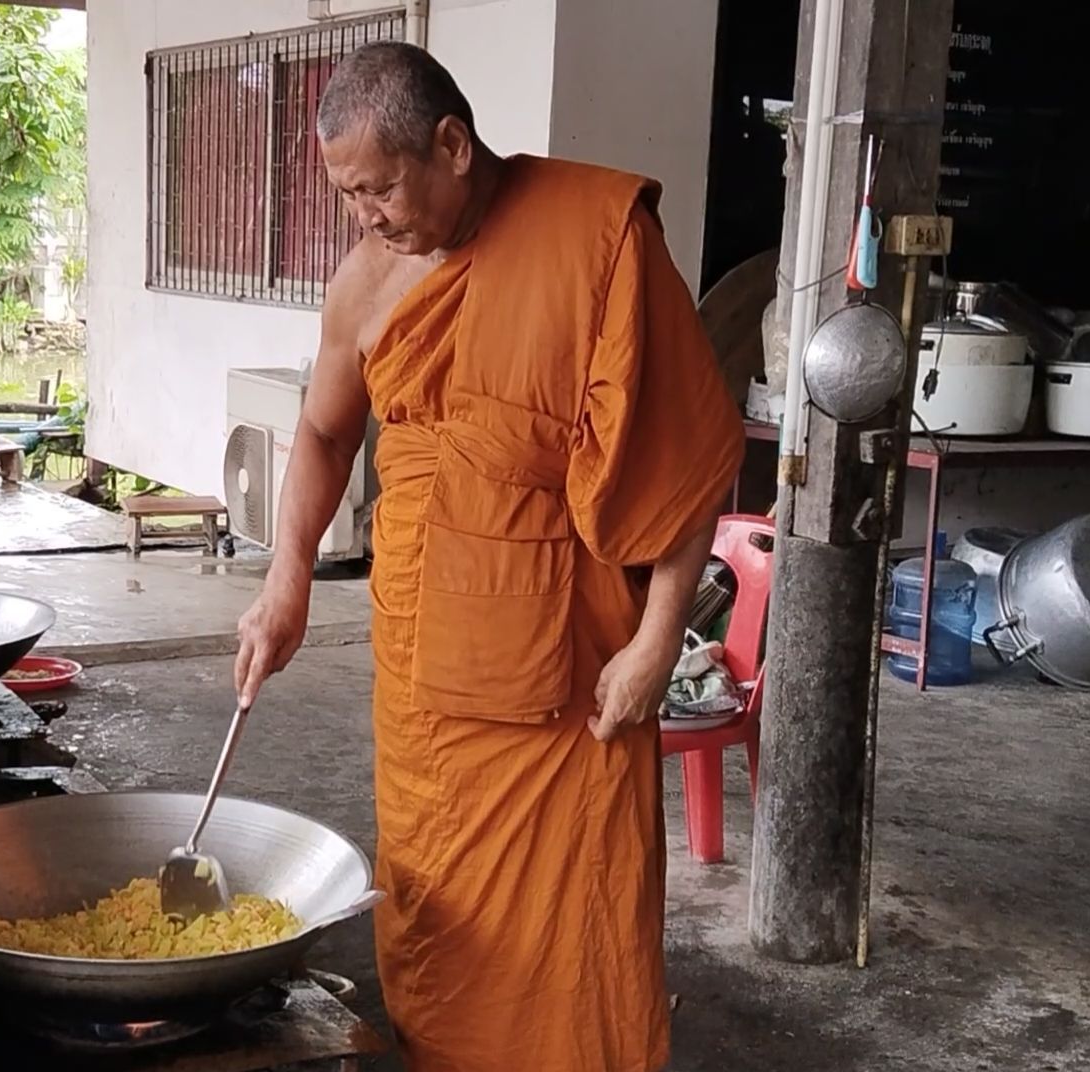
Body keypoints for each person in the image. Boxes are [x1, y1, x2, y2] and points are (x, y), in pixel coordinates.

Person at [233, 41, 746, 1072]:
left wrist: (656, 642)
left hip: (571, 683)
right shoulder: (367, 282)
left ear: (452, 146)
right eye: (346, 196)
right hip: (427, 686)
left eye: (377, 188)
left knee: (574, 945)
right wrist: (285, 578)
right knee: (438, 928)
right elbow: (326, 433)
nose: (363, 216)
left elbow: (685, 455)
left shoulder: (597, 240)